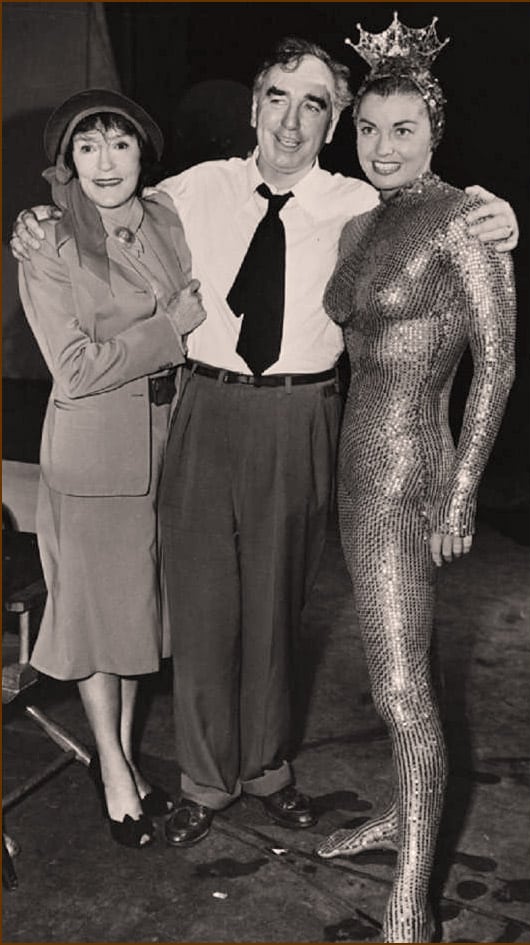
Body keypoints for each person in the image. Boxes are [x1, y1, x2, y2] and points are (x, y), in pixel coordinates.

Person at [10, 38, 519, 851]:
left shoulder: (362, 202)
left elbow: (444, 207)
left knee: (280, 606)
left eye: (314, 102)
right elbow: (105, 201)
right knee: (205, 609)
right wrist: (41, 213)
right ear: (253, 107)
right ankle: (207, 781)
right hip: (204, 410)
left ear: (337, 119)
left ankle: (270, 771)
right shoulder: (189, 190)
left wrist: (500, 209)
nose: (291, 119)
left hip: (303, 415)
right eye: (277, 97)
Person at [314, 15, 516, 943]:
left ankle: (413, 903)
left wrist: (464, 488)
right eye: (368, 127)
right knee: (390, 668)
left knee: (401, 691)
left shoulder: (463, 218)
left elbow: (498, 361)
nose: (383, 146)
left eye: (403, 129)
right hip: (354, 471)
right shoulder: (362, 221)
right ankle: (406, 810)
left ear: (435, 132)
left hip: (411, 476)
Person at [16, 89, 206, 849]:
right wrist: (170, 331)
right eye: (87, 146)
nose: (105, 161)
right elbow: (72, 368)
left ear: (141, 154)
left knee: (135, 617)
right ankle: (117, 776)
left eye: (119, 143)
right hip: (94, 460)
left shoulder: (163, 217)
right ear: (67, 161)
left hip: (164, 448)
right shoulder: (50, 244)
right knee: (99, 623)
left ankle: (117, 755)